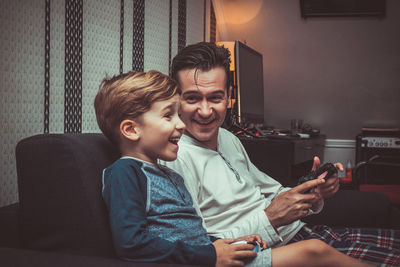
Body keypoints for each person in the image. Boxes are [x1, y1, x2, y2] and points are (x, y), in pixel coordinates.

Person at [94, 70, 371, 267]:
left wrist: (234, 242)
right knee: (314, 252)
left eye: (178, 114)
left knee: (315, 251)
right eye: (170, 115)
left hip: (218, 254)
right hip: (208, 261)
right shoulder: (126, 173)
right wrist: (211, 255)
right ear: (131, 129)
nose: (181, 123)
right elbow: (131, 243)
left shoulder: (169, 172)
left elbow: (192, 233)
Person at [162, 42, 400, 266]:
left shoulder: (228, 138)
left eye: (215, 97)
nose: (205, 111)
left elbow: (275, 193)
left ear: (229, 96)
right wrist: (271, 218)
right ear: (176, 98)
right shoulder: (175, 158)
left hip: (301, 232)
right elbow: (199, 249)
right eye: (192, 98)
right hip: (276, 251)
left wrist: (313, 193)